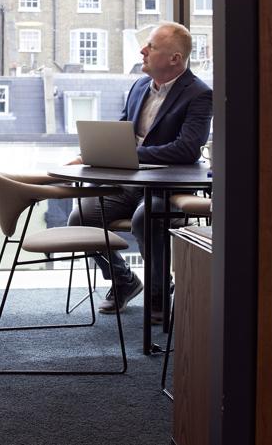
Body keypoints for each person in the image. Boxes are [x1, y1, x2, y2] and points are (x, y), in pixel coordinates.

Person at [67, 21, 212, 323]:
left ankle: (159, 292)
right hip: (131, 184)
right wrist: (91, 154)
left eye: (152, 47)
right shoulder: (137, 88)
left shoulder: (198, 94)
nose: (142, 51)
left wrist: (132, 154)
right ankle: (123, 280)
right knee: (80, 218)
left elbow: (186, 149)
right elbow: (121, 134)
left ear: (175, 58)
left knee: (145, 219)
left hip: (169, 189)